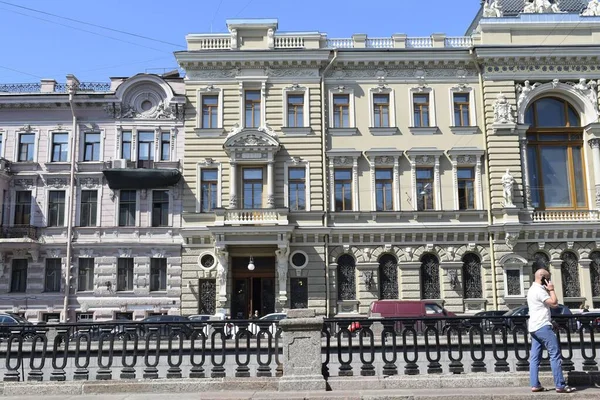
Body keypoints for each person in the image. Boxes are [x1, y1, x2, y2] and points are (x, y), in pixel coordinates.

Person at [527, 265, 576, 393]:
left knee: (534, 358)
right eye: (548, 279)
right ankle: (560, 385)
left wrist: (551, 322)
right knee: (554, 354)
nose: (550, 282)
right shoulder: (540, 290)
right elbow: (554, 303)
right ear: (543, 278)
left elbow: (540, 309)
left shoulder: (531, 289)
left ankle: (535, 384)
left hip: (534, 327)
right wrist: (552, 289)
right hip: (542, 326)